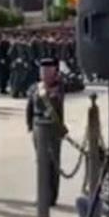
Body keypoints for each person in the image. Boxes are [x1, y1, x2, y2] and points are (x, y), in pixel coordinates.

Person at [26, 58, 66, 207]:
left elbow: (60, 107)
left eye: (48, 71)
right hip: (38, 126)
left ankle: (52, 195)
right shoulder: (34, 88)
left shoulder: (59, 87)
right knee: (41, 162)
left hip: (53, 127)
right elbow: (29, 108)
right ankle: (43, 194)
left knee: (53, 163)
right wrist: (30, 125)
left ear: (54, 72)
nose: (44, 73)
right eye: (42, 71)